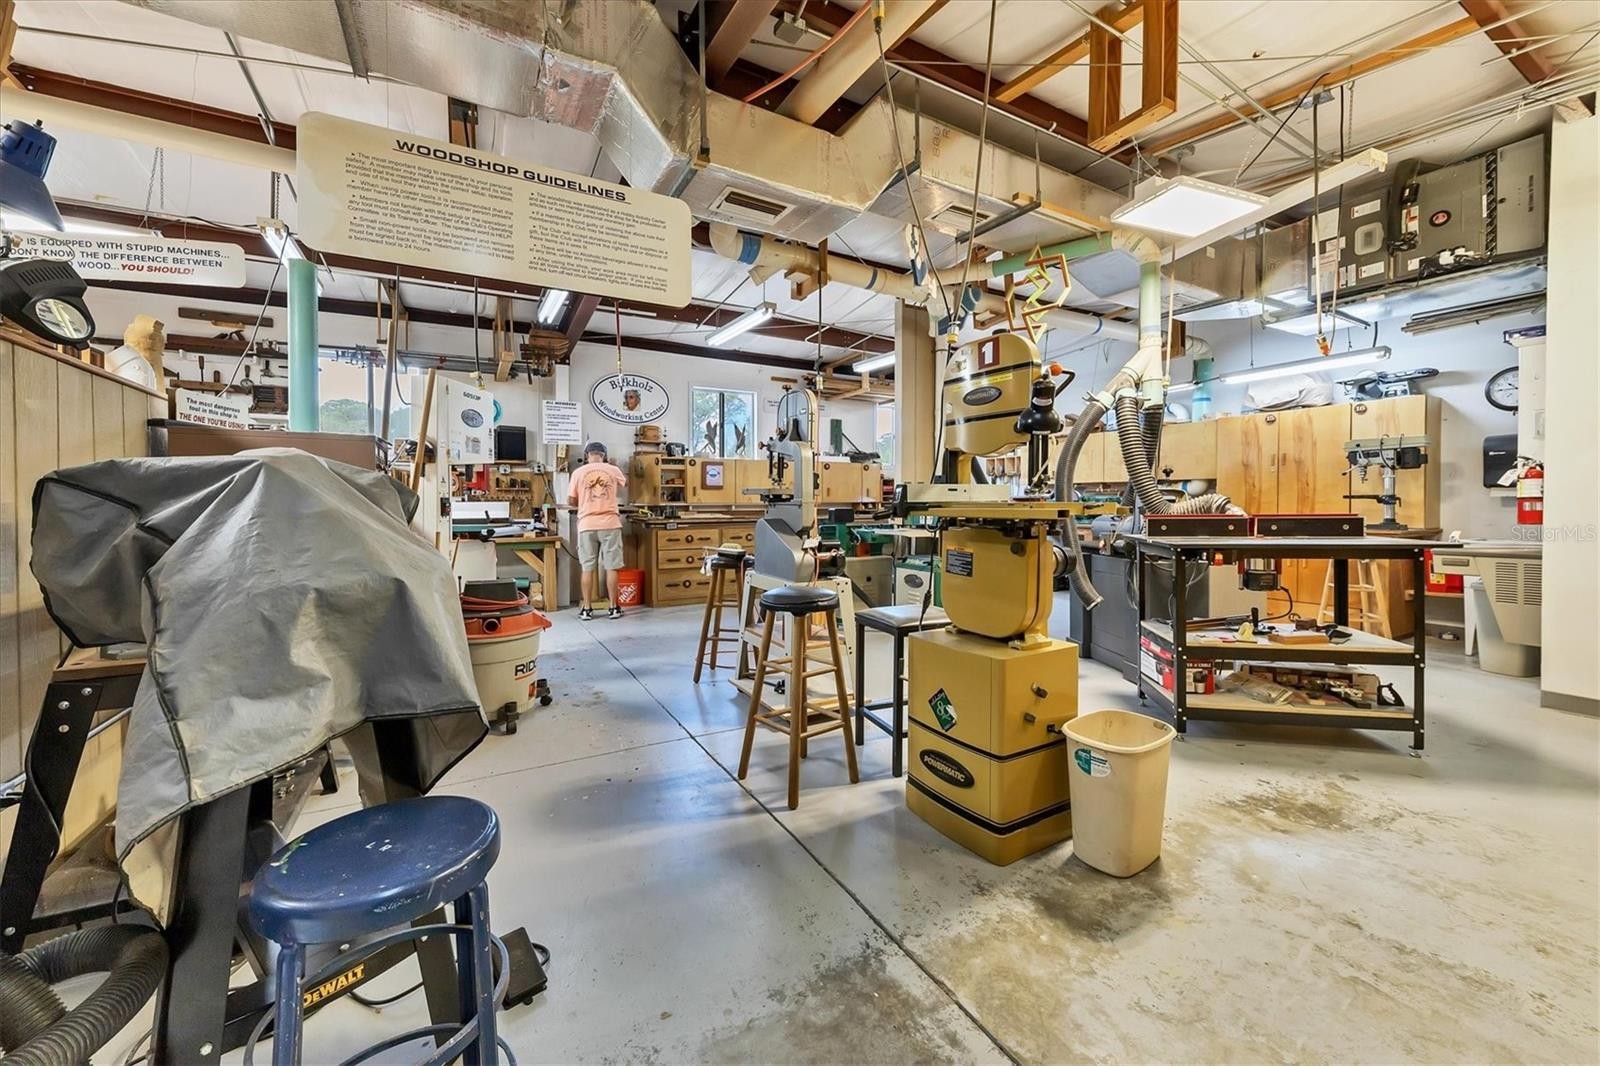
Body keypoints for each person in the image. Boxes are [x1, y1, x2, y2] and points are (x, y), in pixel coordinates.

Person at [568, 441, 628, 620]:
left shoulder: (578, 472)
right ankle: (613, 608)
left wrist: (583, 502)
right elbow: (624, 485)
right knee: (612, 568)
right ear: (604, 455)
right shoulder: (613, 470)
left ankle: (586, 609)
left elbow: (571, 500)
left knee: (587, 568)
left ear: (587, 455)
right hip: (610, 524)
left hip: (587, 524)